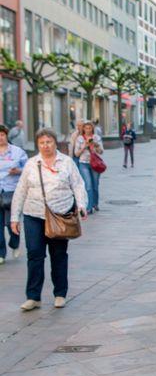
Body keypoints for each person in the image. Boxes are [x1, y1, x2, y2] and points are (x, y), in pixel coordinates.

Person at [10, 127, 87, 310]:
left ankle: (60, 293)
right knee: (35, 255)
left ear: (55, 142)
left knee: (58, 255)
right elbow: (21, 190)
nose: (46, 146)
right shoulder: (31, 163)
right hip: (33, 215)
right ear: (38, 144)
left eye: (49, 142)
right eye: (42, 143)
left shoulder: (66, 162)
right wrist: (15, 217)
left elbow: (78, 185)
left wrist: (82, 205)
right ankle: (33, 296)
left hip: (60, 214)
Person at [0, 123, 27, 264]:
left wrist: (18, 171)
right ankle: (1, 254)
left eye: (2, 135)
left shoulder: (17, 152)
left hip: (12, 192)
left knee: (12, 223)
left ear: (6, 135)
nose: (0, 138)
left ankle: (15, 243)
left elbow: (28, 169)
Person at [75, 120, 104, 213]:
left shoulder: (96, 137)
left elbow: (101, 152)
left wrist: (95, 145)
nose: (88, 130)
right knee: (88, 186)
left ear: (92, 128)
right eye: (86, 128)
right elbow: (76, 153)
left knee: (95, 186)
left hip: (95, 164)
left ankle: (95, 203)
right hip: (84, 163)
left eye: (89, 128)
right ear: (83, 129)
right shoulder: (79, 138)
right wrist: (84, 146)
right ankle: (89, 207)